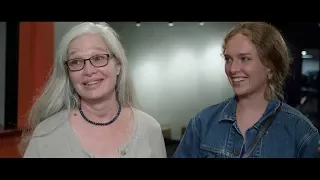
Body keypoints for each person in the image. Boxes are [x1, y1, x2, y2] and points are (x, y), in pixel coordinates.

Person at [173, 22, 320, 158]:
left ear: (270, 67)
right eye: (228, 59)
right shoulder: (203, 123)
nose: (232, 69)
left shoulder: (301, 132)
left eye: (244, 59)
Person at [20, 22, 167, 158]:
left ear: (118, 65)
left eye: (98, 58)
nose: (88, 71)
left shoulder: (149, 129)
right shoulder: (46, 134)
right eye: (76, 62)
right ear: (68, 73)